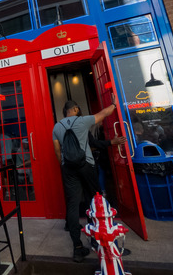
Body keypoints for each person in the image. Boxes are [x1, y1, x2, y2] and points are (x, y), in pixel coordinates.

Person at [52, 100, 117, 263]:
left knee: (73, 205)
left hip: (68, 168)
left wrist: (63, 164)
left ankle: (78, 248)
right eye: (77, 108)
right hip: (86, 165)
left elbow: (57, 150)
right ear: (74, 109)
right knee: (94, 199)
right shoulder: (82, 121)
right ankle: (96, 238)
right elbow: (103, 114)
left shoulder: (57, 127)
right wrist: (114, 104)